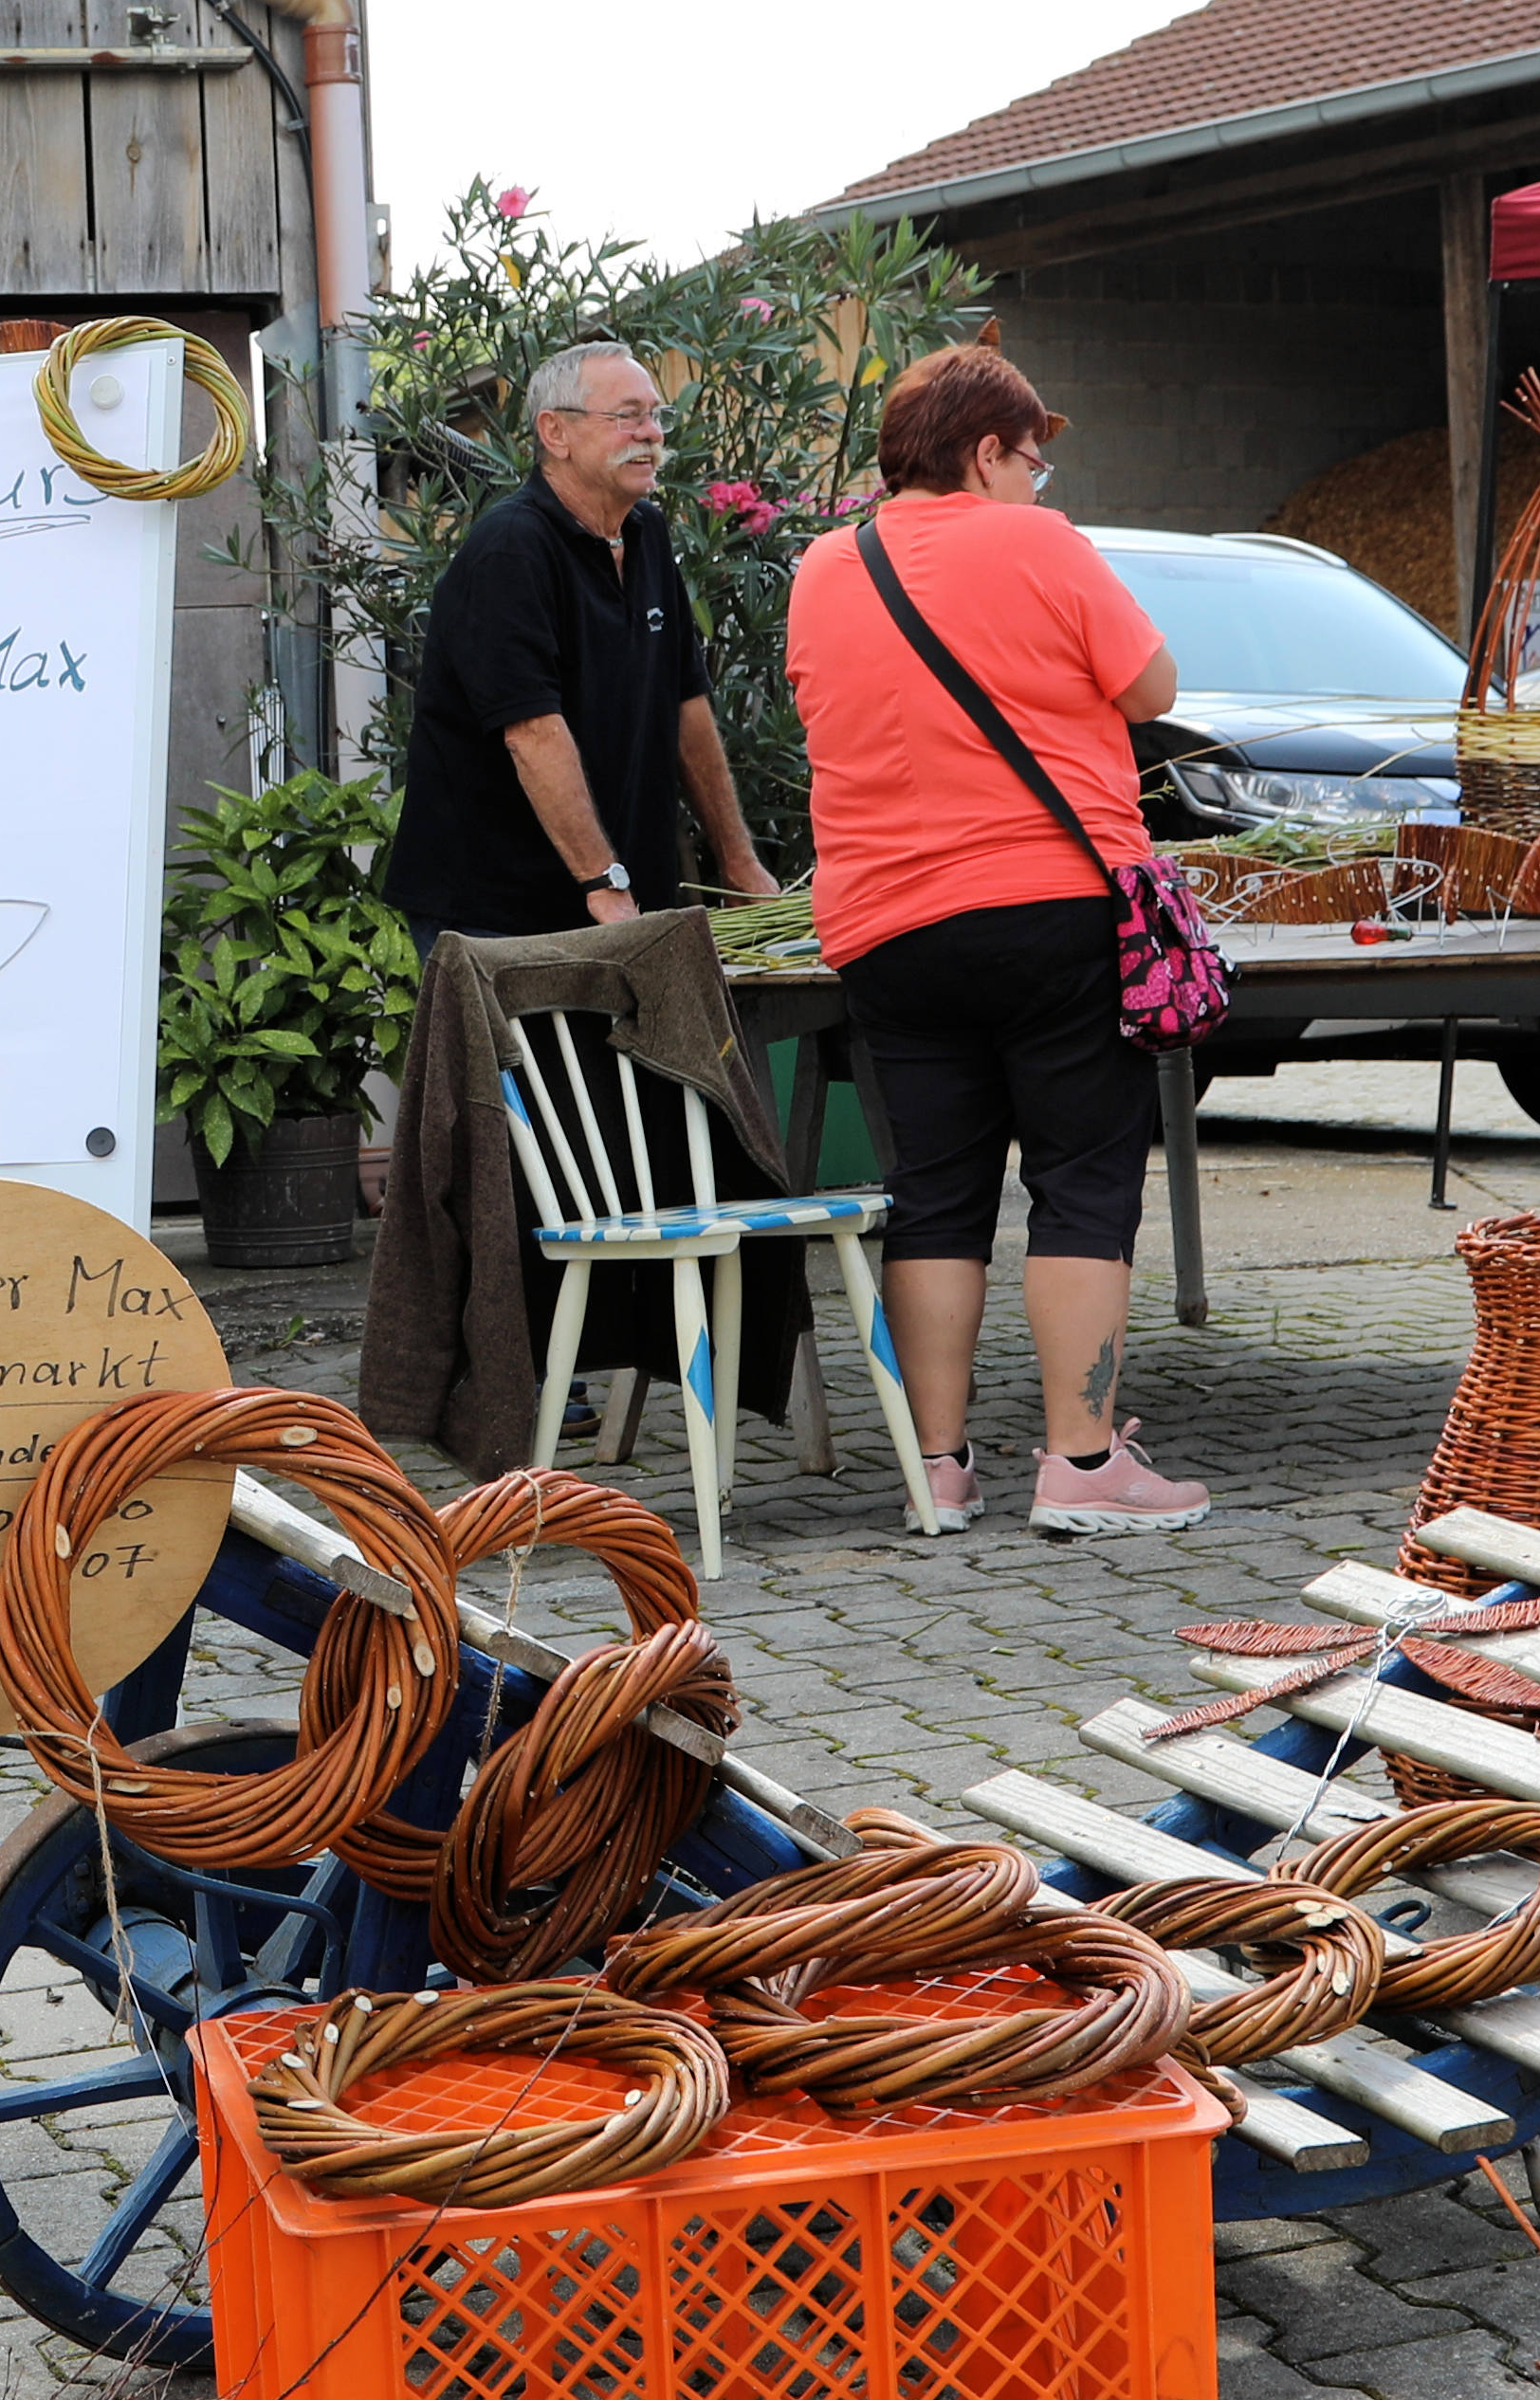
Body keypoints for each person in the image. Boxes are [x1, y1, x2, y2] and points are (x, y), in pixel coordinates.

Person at [786, 347, 1197, 1542]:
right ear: (984, 452)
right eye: (1029, 458)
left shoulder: (824, 567)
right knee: (1082, 1178)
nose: (1035, 479)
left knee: (934, 1192)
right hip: (1052, 907)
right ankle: (1083, 1463)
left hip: (886, 926)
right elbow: (1155, 689)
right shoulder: (1040, 542)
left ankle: (940, 1470)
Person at [383, 340, 773, 945]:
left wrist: (738, 859)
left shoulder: (645, 533)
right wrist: (603, 880)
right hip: (498, 913)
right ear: (555, 432)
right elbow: (532, 732)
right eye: (627, 416)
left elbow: (685, 704)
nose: (650, 434)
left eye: (655, 416)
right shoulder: (511, 549)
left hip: (620, 900)